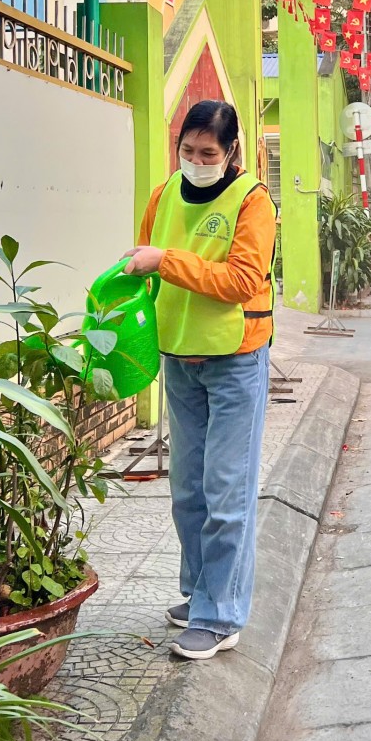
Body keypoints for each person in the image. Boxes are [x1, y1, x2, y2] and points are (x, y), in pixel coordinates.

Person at [123, 100, 277, 658]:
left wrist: (165, 260)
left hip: (235, 357)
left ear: (231, 151)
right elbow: (144, 260)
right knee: (188, 489)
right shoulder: (164, 195)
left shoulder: (253, 201)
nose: (194, 161)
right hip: (177, 357)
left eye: (207, 153)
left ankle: (221, 615)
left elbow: (240, 280)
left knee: (226, 491)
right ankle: (201, 592)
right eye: (186, 151)